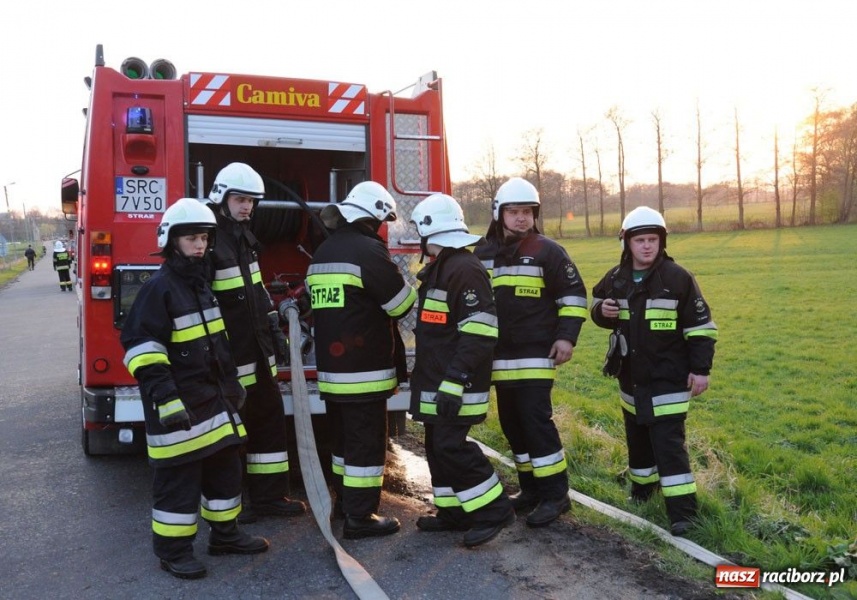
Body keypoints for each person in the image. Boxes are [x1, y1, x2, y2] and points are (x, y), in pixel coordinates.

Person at [121, 198, 269, 580]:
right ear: (171, 242)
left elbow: (217, 344)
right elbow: (143, 351)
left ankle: (225, 535)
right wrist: (167, 400)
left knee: (225, 469)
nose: (200, 245)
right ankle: (173, 551)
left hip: (213, 401)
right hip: (179, 404)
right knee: (178, 481)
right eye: (190, 238)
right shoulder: (159, 289)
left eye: (203, 238)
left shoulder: (201, 286)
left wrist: (232, 385)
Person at [589, 206, 718, 537]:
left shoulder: (678, 279)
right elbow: (599, 303)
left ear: (662, 242)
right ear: (626, 243)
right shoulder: (617, 278)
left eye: (653, 239)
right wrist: (600, 312)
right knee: (638, 443)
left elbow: (702, 330)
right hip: (630, 380)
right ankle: (642, 495)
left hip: (668, 379)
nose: (647, 246)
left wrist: (700, 370)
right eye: (640, 240)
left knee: (669, 447)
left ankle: (683, 514)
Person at [474, 177, 588, 528]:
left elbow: (573, 295)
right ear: (499, 213)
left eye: (527, 212)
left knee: (536, 424)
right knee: (512, 426)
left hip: (536, 355)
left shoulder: (548, 251)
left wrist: (566, 338)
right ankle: (530, 490)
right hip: (497, 358)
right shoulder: (482, 253)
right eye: (514, 211)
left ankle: (556, 495)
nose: (521, 218)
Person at [306, 181, 416, 539]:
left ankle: (343, 504)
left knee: (342, 442)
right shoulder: (369, 250)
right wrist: (412, 282)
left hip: (332, 372)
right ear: (374, 218)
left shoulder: (323, 251)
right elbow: (399, 305)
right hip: (366, 371)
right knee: (366, 444)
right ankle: (361, 516)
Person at [408, 193, 516, 548]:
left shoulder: (463, 269)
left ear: (430, 231)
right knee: (436, 446)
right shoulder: (444, 267)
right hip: (440, 378)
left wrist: (455, 381)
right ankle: (454, 511)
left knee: (449, 445)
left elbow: (480, 332)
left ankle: (494, 510)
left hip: (457, 381)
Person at [206, 162, 306, 522]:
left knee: (268, 421)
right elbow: (203, 304)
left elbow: (255, 292)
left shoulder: (244, 239)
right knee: (231, 432)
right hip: (231, 357)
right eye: (240, 199)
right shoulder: (210, 241)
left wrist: (273, 328)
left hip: (258, 352)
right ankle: (229, 510)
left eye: (251, 201)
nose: (247, 206)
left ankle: (269, 498)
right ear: (222, 197)